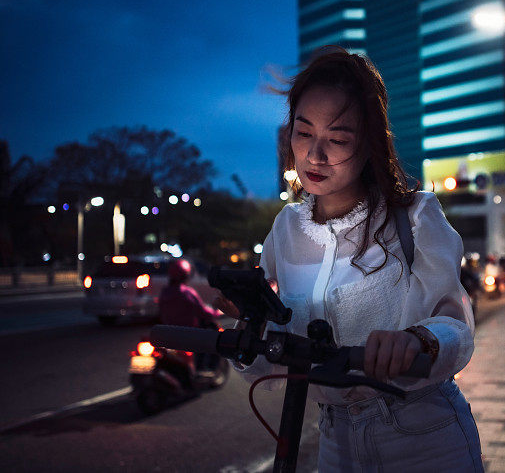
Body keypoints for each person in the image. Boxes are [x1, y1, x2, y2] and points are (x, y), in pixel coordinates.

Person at [214, 47, 483, 472]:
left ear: (370, 143)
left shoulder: (415, 216)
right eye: (303, 134)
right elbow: (273, 349)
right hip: (334, 441)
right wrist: (247, 330)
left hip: (423, 435)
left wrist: (416, 340)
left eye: (337, 139)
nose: (315, 156)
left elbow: (457, 328)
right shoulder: (284, 230)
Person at [159, 258, 221, 376]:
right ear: (186, 274)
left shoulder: (165, 292)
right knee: (213, 339)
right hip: (188, 332)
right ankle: (204, 368)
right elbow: (204, 312)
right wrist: (218, 313)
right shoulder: (187, 292)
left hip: (169, 332)